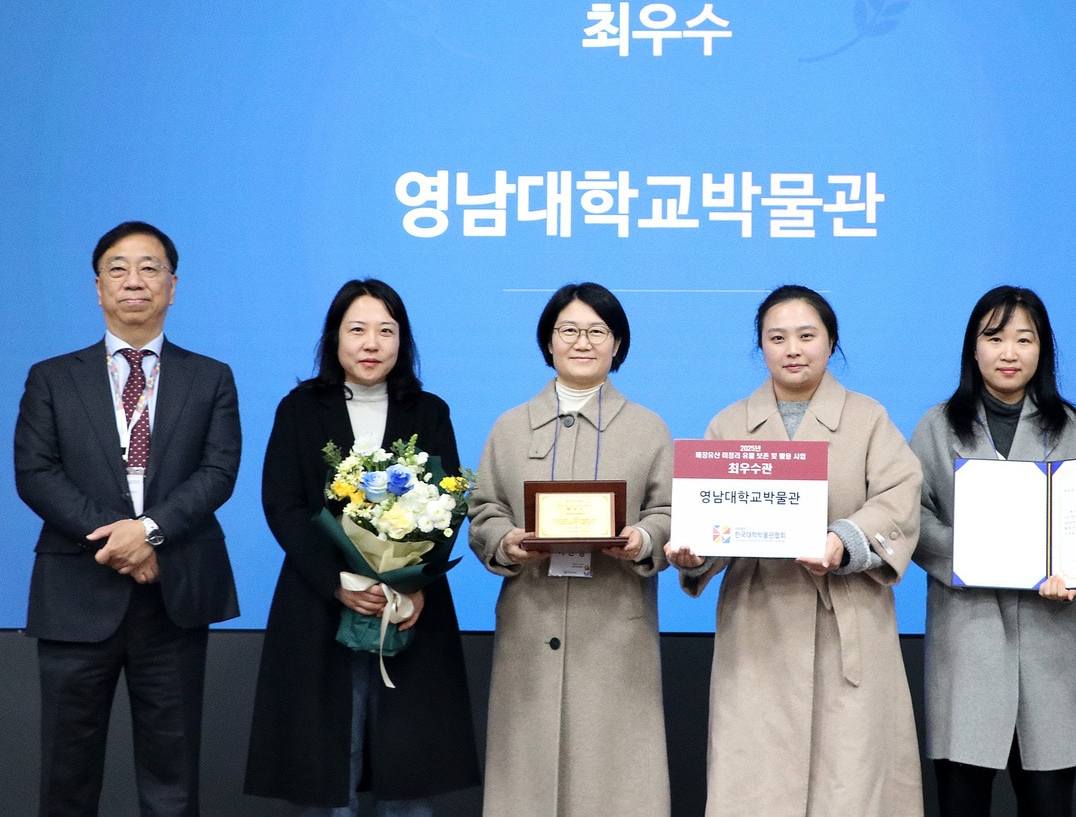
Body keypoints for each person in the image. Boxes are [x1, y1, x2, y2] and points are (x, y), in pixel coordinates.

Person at [667, 284, 923, 816]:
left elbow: (900, 497)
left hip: (846, 619)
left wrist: (843, 540)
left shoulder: (868, 417)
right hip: (759, 623)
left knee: (851, 781)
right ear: (760, 346)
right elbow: (711, 517)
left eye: (807, 335)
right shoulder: (729, 423)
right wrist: (695, 555)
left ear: (831, 342)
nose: (793, 349)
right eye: (777, 337)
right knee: (756, 783)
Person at [14, 221, 240, 816]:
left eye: (149, 267)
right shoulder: (51, 377)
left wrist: (151, 532)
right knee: (67, 773)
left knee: (172, 777)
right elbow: (35, 474)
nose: (133, 280)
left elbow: (219, 472)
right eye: (118, 268)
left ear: (172, 285)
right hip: (75, 592)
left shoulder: (210, 376)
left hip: (174, 591)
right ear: (97, 288)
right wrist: (119, 539)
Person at [244, 279, 480, 815]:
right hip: (319, 605)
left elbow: (448, 504)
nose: (371, 343)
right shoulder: (301, 408)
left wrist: (413, 585)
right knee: (330, 768)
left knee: (407, 769)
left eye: (385, 330)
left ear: (402, 341)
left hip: (408, 609)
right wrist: (339, 582)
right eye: (357, 330)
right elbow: (282, 503)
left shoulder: (429, 410)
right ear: (334, 339)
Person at [467, 282, 672, 817]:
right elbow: (484, 509)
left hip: (614, 631)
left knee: (616, 785)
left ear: (618, 345)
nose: (583, 342)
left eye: (597, 331)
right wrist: (506, 542)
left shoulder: (649, 430)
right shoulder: (509, 427)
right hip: (529, 626)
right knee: (526, 784)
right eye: (568, 330)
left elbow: (670, 512)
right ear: (549, 342)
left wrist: (644, 539)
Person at [908, 285, 1076, 817]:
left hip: (1052, 632)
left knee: (1048, 802)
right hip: (969, 632)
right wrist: (973, 553)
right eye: (994, 337)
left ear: (1042, 349)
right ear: (973, 349)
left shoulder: (1069, 426)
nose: (1009, 352)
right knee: (963, 800)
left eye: (1024, 339)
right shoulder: (936, 425)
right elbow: (912, 520)